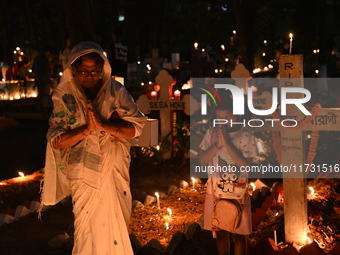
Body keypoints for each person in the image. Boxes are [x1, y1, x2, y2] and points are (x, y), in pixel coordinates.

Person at [40, 41, 147, 254]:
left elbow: (137, 127)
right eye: (83, 71)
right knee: (85, 229)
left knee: (115, 223)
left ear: (103, 69)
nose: (89, 76)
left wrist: (104, 126)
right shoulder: (65, 96)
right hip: (82, 173)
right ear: (73, 69)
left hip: (113, 166)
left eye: (94, 71)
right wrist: (87, 130)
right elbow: (56, 140)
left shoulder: (115, 91)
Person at [198, 92, 258, 255]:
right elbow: (202, 160)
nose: (222, 122)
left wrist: (227, 142)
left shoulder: (246, 135)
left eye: (227, 117)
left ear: (237, 114)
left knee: (239, 234)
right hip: (216, 191)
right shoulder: (211, 133)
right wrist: (217, 145)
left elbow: (245, 165)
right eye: (218, 118)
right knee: (221, 232)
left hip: (237, 191)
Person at [32, 46, 52, 113]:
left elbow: (33, 70)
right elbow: (46, 70)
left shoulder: (36, 59)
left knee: (40, 96)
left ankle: (40, 108)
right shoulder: (45, 59)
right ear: (47, 52)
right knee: (45, 95)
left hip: (38, 80)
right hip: (45, 80)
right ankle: (45, 109)